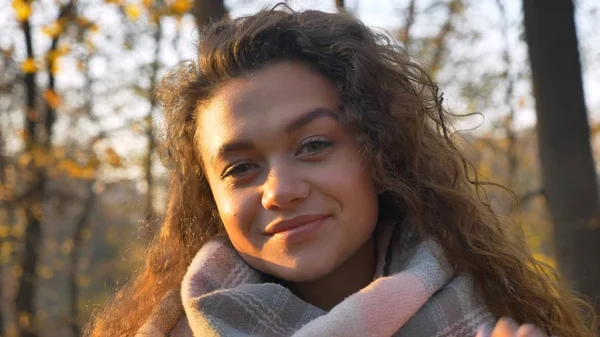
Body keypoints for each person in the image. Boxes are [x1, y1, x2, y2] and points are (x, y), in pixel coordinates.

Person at [87, 5, 597, 337]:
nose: (279, 192)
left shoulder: (498, 321)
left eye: (313, 145)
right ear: (210, 197)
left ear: (380, 154)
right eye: (241, 167)